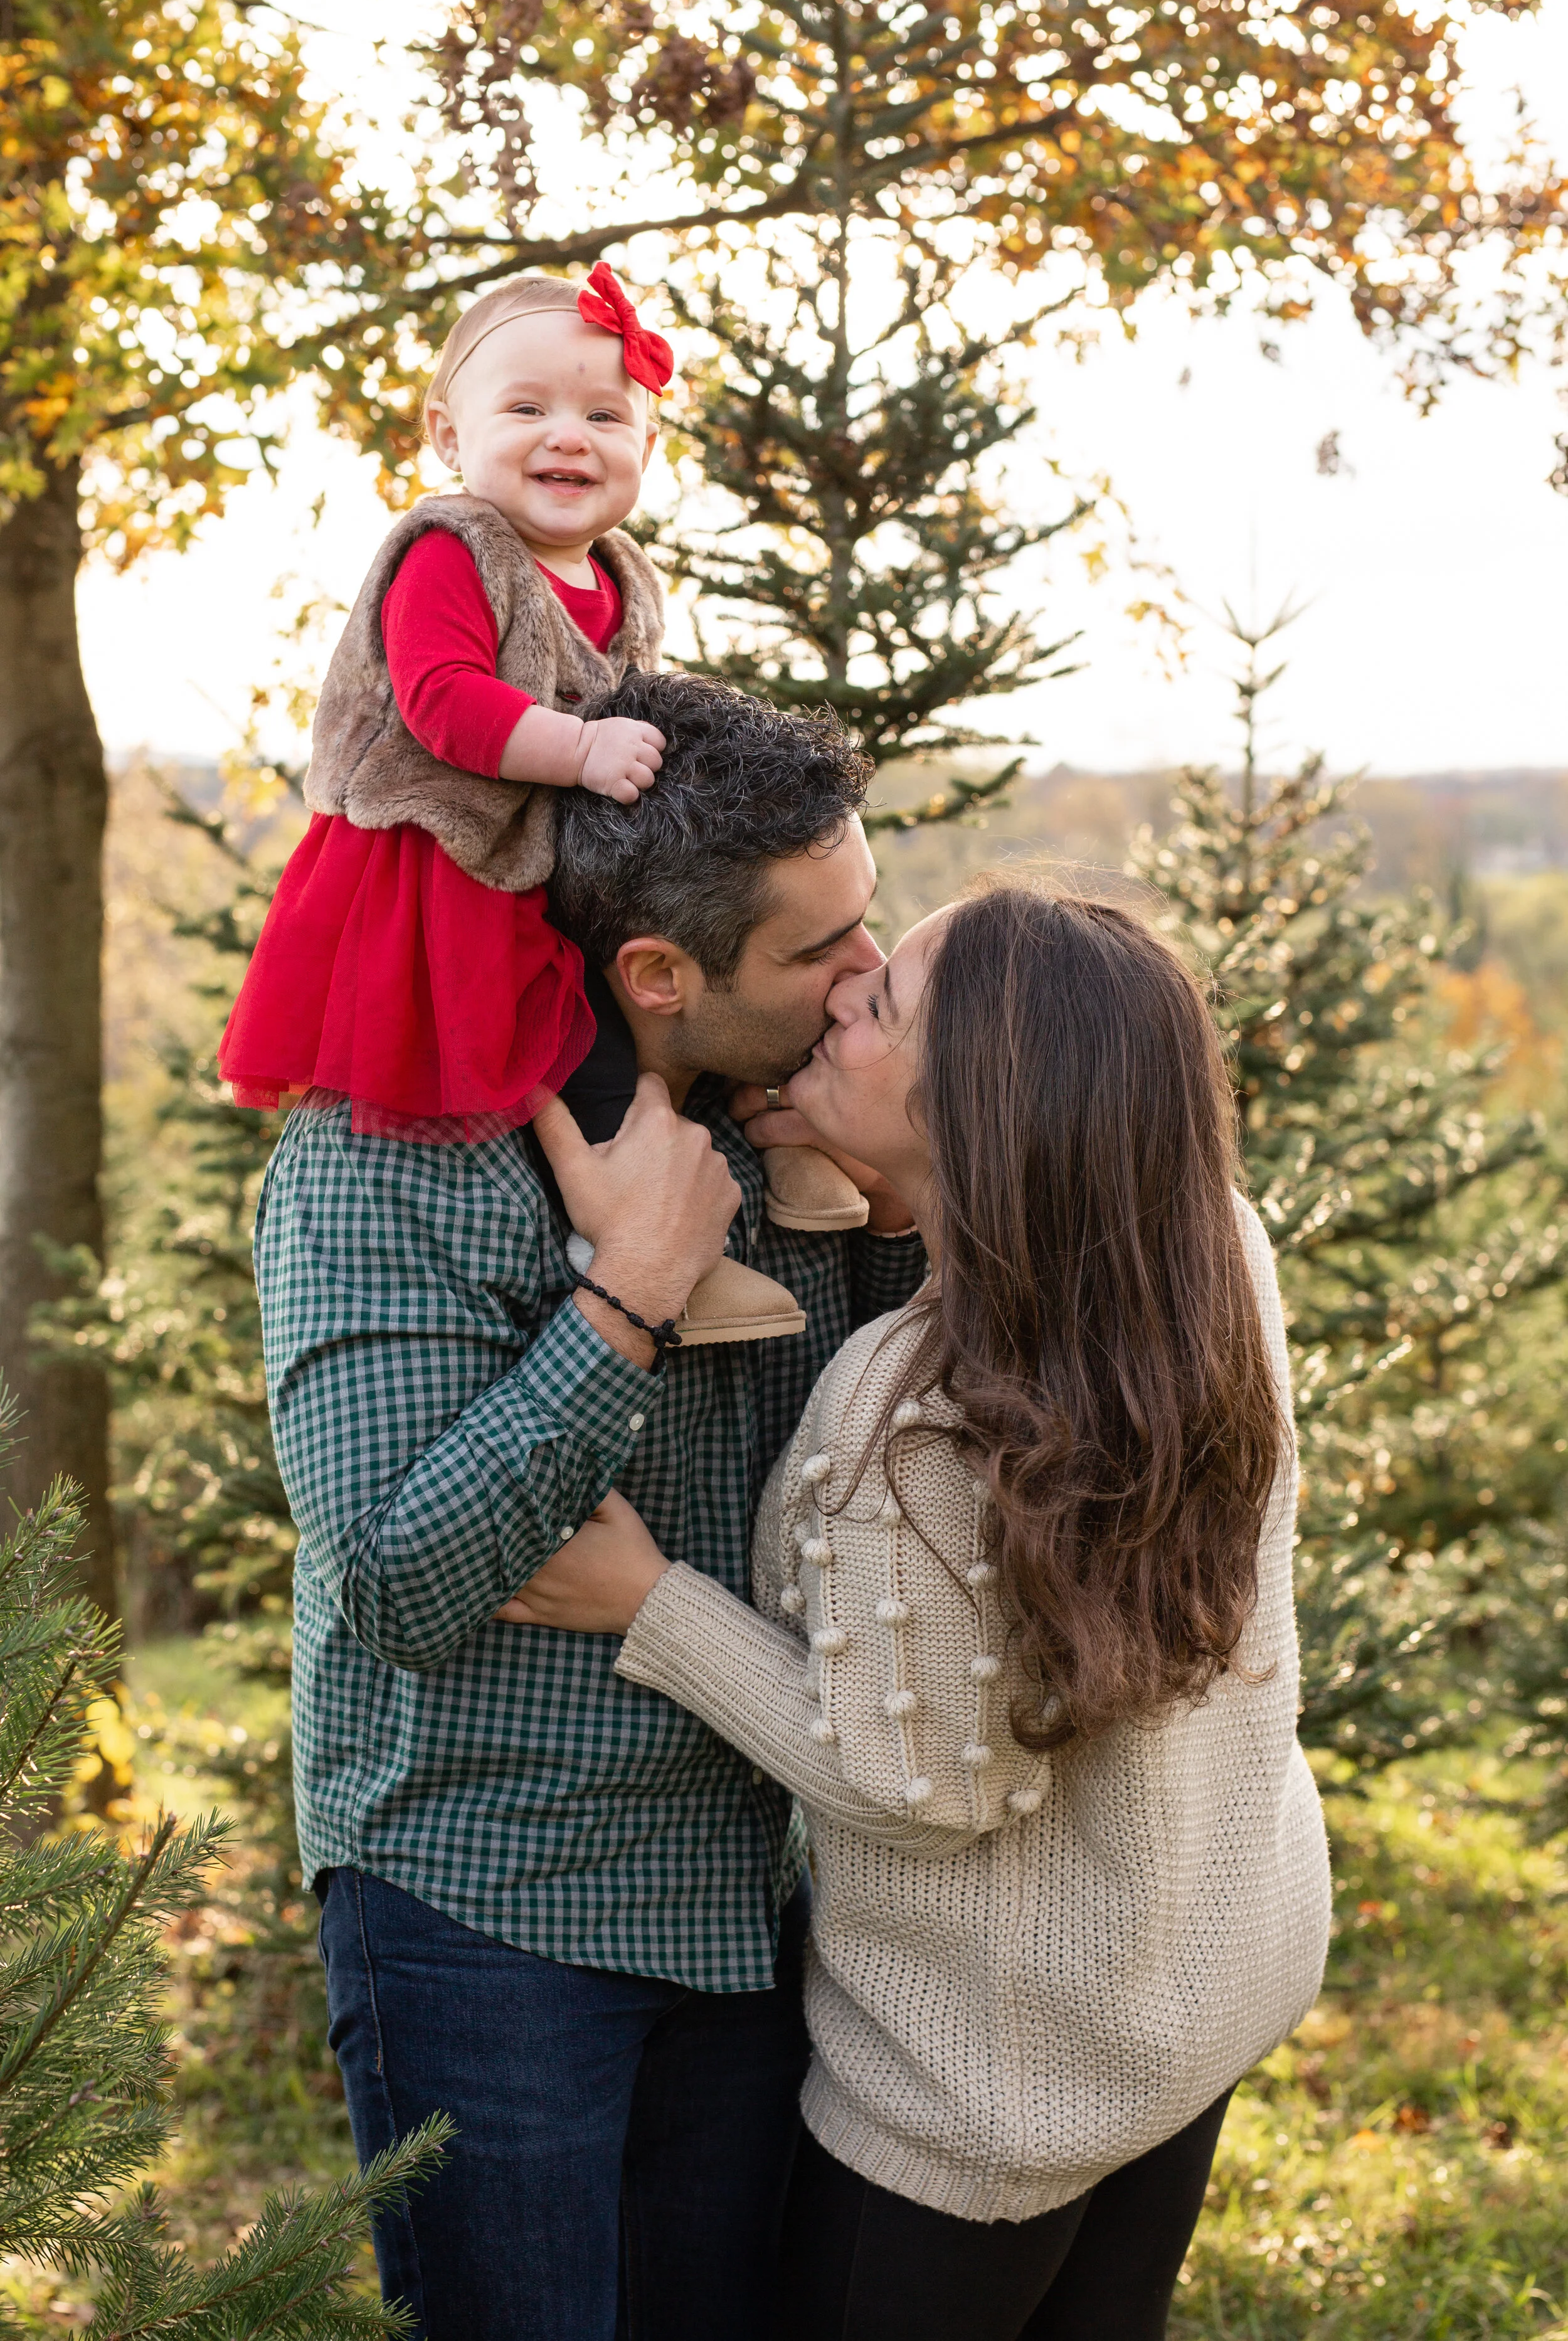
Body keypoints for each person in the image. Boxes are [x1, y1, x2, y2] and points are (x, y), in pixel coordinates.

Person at [498, 883, 1335, 2341]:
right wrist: (905, 1184)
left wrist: (652, 1605)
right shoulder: (1206, 1255)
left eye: (882, 1006)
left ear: (973, 1107)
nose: (843, 988)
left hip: (975, 2108)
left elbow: (916, 1787)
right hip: (1199, 2001)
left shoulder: (907, 1415)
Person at [253, 671, 928, 2341]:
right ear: (657, 973)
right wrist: (629, 1285)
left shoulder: (798, 1132)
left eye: (871, 918)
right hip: (484, 1911)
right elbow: (404, 1571)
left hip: (747, 1901)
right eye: (817, 950)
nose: (869, 976)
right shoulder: (376, 1155)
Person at [223, 263, 862, 1346]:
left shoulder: (621, 573)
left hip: (561, 836)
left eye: (604, 414)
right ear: (447, 433)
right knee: (579, 1036)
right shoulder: (451, 550)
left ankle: (795, 1138)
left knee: (762, 937)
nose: (568, 434)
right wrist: (579, 749)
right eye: (526, 409)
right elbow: (441, 703)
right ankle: (628, 1243)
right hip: (449, 857)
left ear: (647, 450)